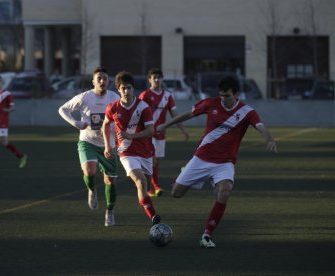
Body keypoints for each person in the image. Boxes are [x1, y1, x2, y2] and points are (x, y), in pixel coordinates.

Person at [157, 75, 277, 248]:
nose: (223, 99)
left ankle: (206, 235)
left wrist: (269, 139)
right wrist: (166, 125)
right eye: (221, 95)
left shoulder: (246, 112)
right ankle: (192, 174)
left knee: (225, 190)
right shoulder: (210, 103)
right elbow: (188, 114)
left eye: (227, 96)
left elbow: (261, 127)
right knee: (176, 194)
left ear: (237, 94)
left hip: (224, 163)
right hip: (201, 159)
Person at [58, 66, 120, 227]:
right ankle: (92, 190)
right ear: (93, 81)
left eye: (105, 78)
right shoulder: (85, 97)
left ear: (109, 81)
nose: (102, 81)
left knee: (110, 181)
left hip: (109, 144)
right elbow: (62, 109)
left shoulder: (115, 97)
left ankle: (110, 211)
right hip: (88, 141)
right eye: (98, 78)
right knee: (89, 171)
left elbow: (122, 117)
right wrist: (76, 123)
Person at [103, 71, 161, 225]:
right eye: (123, 88)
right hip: (126, 152)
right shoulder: (113, 107)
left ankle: (145, 200)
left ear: (133, 88)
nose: (126, 91)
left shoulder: (143, 107)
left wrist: (132, 136)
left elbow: (151, 131)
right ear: (118, 89)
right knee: (140, 181)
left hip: (145, 151)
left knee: (146, 186)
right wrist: (108, 145)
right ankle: (154, 217)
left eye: (129, 88)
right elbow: (105, 124)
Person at [139, 68, 189, 197]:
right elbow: (138, 113)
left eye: (159, 77)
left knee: (157, 161)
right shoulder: (144, 95)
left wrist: (183, 129)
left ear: (162, 79)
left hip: (161, 134)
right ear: (149, 80)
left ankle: (151, 185)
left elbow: (175, 115)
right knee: (153, 160)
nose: (156, 79)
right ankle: (154, 186)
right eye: (154, 77)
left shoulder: (167, 96)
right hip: (148, 133)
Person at [0, 75, 27, 170]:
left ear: (2, 82)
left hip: (2, 122)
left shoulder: (7, 94)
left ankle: (21, 156)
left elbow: (13, 107)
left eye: (0, 81)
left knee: (4, 142)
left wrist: (7, 110)